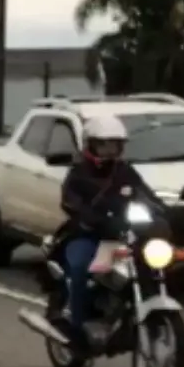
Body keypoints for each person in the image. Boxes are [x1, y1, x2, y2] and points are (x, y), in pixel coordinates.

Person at [51, 114, 160, 350]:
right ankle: (76, 329)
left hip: (120, 236)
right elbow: (69, 201)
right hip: (86, 235)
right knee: (80, 268)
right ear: (90, 144)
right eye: (104, 144)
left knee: (150, 264)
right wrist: (90, 217)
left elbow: (147, 196)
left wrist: (171, 214)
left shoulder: (125, 172)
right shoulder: (79, 173)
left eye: (115, 144)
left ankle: (135, 313)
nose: (110, 150)